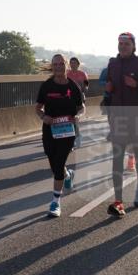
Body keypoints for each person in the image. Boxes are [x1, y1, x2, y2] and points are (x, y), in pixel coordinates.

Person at [104, 33, 138, 217]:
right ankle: (118, 201)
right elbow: (109, 89)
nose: (123, 46)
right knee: (117, 158)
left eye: (126, 44)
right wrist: (108, 90)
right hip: (118, 119)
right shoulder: (113, 64)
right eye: (120, 43)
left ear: (134, 46)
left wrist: (136, 85)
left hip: (137, 118)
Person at [36, 55, 86, 217]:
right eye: (55, 64)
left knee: (58, 165)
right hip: (50, 130)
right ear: (52, 66)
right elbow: (38, 108)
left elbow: (81, 107)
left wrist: (78, 116)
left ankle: (55, 202)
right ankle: (67, 174)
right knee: (53, 162)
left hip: (67, 131)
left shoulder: (73, 86)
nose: (58, 67)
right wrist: (44, 117)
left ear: (66, 65)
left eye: (60, 64)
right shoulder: (46, 86)